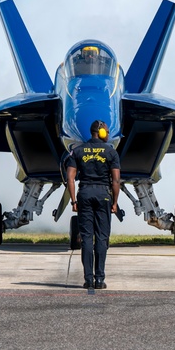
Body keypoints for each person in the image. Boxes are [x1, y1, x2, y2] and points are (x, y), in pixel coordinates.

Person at [65, 119, 121, 289]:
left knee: (87, 238)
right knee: (102, 238)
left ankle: (88, 279)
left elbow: (70, 178)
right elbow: (116, 180)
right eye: (107, 132)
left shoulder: (77, 151)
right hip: (103, 194)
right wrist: (115, 202)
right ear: (102, 132)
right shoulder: (111, 152)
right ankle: (99, 279)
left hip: (85, 194)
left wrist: (74, 200)